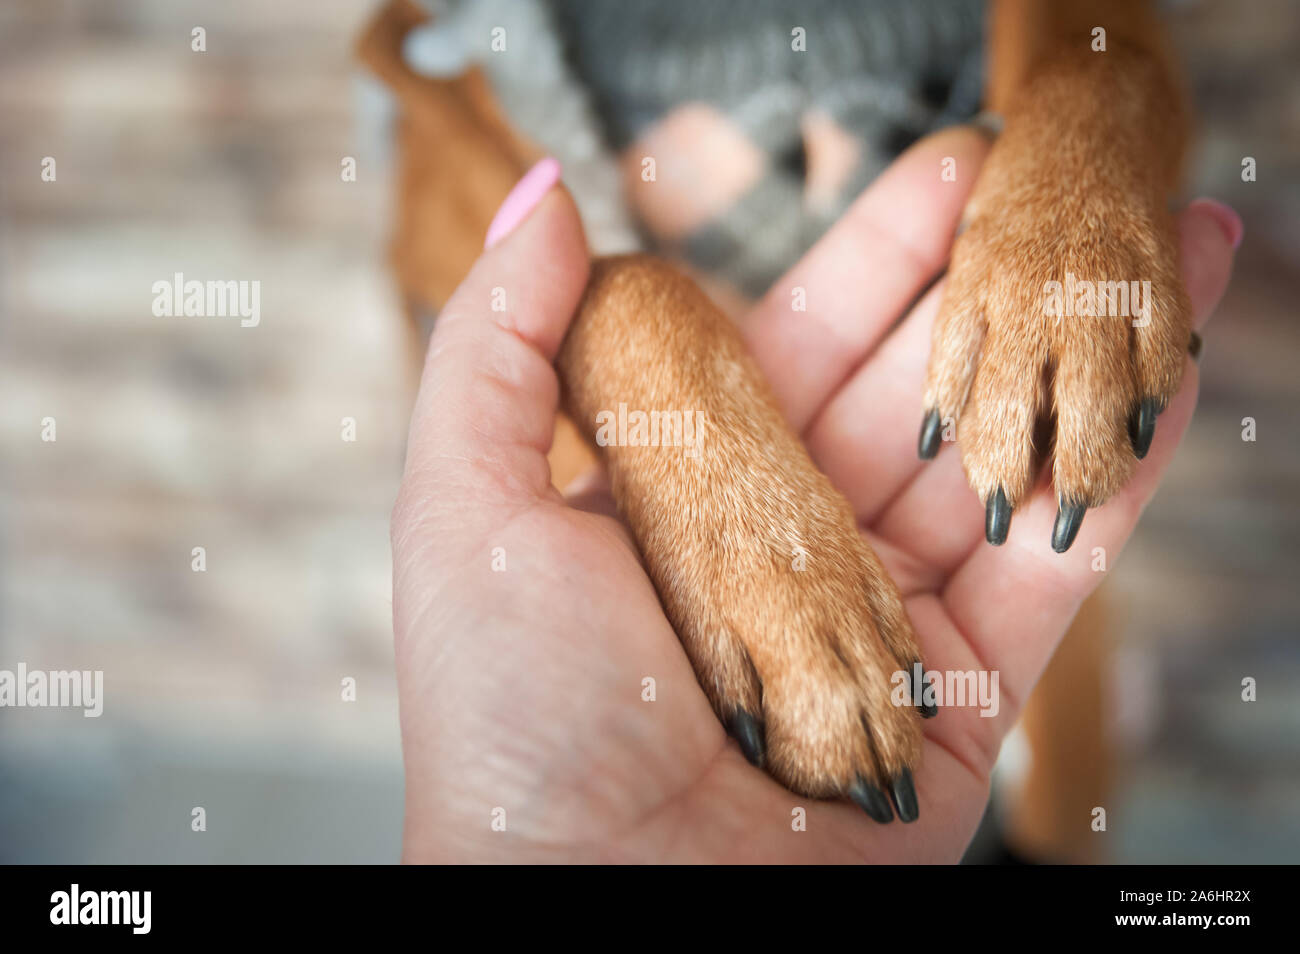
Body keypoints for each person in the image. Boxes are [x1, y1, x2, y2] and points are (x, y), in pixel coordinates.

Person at [389, 128, 1240, 862]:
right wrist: (631, 351)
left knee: (1060, 743)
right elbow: (553, 428)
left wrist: (1088, 142)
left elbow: (1117, 62)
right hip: (911, 584)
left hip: (980, 547)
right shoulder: (456, 71)